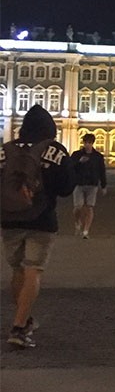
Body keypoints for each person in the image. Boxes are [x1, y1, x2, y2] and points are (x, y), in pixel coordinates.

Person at [2, 105, 75, 348]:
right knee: (34, 269)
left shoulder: (6, 150)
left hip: (9, 219)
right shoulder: (54, 150)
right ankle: (19, 327)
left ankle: (24, 318)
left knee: (18, 270)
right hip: (41, 219)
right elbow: (66, 188)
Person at [69, 133, 107, 239]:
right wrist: (79, 162)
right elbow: (70, 167)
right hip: (78, 184)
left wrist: (103, 185)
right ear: (83, 143)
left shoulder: (98, 156)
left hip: (92, 184)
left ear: (92, 143)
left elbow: (101, 171)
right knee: (78, 207)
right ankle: (77, 223)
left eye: (89, 143)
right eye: (86, 143)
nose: (87, 145)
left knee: (90, 207)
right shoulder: (76, 155)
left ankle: (86, 231)